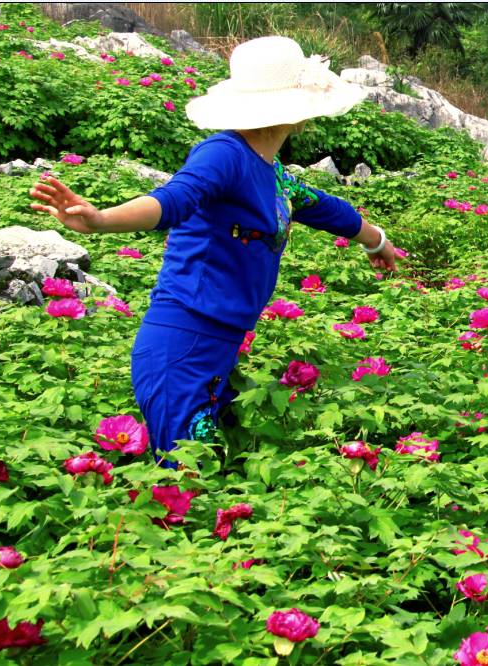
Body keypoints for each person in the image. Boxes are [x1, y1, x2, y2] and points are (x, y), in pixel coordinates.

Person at [30, 35, 398, 467]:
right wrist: (101, 220)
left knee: (208, 470)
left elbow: (321, 206)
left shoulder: (270, 168)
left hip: (220, 342)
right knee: (183, 478)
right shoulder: (224, 155)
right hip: (183, 344)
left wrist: (375, 239)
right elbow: (174, 199)